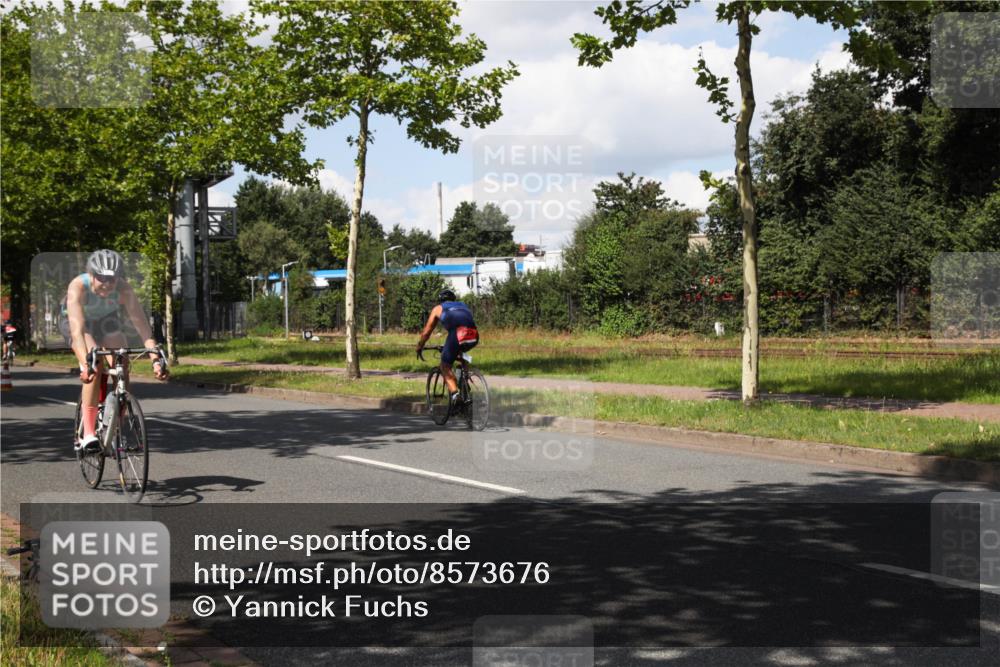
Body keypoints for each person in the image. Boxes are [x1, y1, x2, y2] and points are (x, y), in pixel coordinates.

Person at [65, 249, 168, 452]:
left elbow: (143, 329)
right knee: (95, 362)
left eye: (112, 279)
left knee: (122, 361)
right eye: (101, 278)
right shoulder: (78, 286)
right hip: (79, 324)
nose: (107, 283)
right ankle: (88, 434)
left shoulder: (124, 289)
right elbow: (77, 332)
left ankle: (115, 428)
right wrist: (86, 364)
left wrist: (156, 361)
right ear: (91, 275)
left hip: (106, 321)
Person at [416, 288, 479, 408]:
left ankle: (455, 394)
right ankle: (465, 381)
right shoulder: (463, 305)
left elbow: (427, 332)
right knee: (460, 353)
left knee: (444, 365)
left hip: (457, 334)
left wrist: (420, 346)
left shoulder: (438, 308)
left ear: (440, 300)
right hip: (474, 334)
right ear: (453, 299)